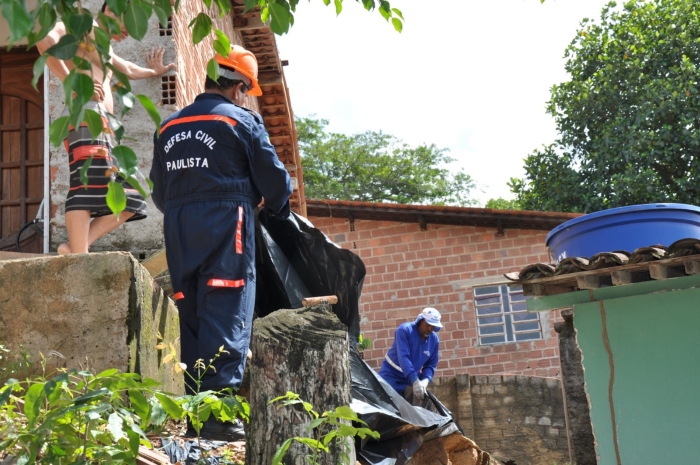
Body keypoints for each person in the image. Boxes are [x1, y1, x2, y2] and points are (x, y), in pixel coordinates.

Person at [150, 44, 292, 441]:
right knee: (227, 306)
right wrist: (274, 206)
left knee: (191, 309)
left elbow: (160, 195)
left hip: (179, 228)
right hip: (227, 224)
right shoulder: (240, 122)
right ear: (240, 87)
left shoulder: (167, 127)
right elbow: (276, 183)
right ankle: (219, 417)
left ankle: (196, 412)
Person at [36, 2, 175, 255]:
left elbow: (129, 70)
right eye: (127, 22)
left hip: (101, 125)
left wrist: (154, 71)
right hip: (86, 116)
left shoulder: (103, 45)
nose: (129, 31)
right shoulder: (86, 27)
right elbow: (45, 38)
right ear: (110, 9)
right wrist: (71, 80)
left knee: (133, 194)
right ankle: (79, 255)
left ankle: (76, 246)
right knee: (84, 184)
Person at [378, 307, 443, 401]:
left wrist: (425, 381)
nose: (430, 329)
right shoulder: (404, 331)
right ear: (421, 321)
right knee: (386, 406)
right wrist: (415, 381)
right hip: (391, 376)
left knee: (409, 412)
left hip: (410, 381)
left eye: (433, 326)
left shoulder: (434, 340)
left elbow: (431, 365)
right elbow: (404, 357)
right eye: (428, 324)